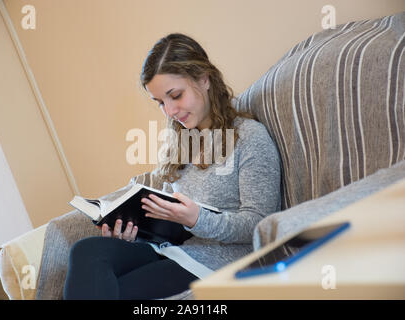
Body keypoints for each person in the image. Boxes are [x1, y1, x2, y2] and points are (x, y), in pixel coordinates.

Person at [63, 33, 281, 300]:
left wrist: (196, 219)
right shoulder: (182, 143)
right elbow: (167, 218)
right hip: (170, 251)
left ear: (204, 78)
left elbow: (261, 224)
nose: (170, 111)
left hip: (214, 262)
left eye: (175, 95)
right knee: (88, 251)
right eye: (160, 103)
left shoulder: (250, 138)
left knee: (115, 292)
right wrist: (136, 230)